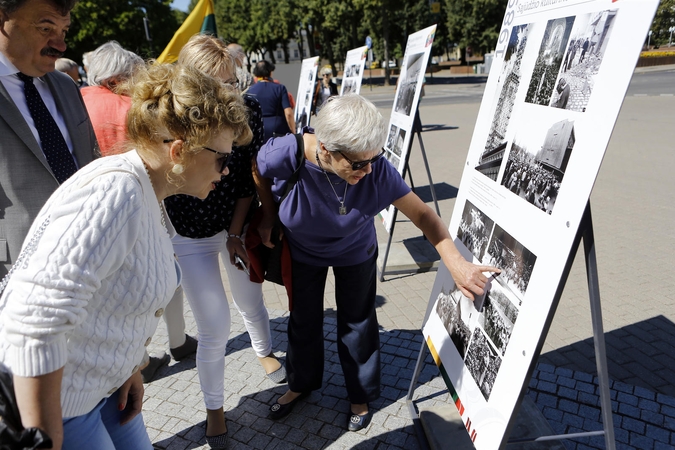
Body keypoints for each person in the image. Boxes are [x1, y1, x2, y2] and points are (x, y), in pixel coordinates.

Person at [0, 62, 252, 450]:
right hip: (62, 403)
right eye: (222, 157)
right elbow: (34, 319)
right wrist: (45, 438)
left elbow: (113, 295)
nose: (227, 169)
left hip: (105, 389)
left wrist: (130, 364)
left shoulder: (147, 192)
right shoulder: (116, 194)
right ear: (179, 150)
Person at [255, 95, 500, 431]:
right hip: (302, 251)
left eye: (374, 158)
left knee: (357, 324)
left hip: (355, 251)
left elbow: (423, 214)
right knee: (303, 319)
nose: (367, 170)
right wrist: (269, 215)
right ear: (325, 149)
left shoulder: (375, 169)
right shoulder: (288, 152)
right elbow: (257, 169)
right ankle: (300, 384)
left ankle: (360, 394)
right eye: (357, 164)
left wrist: (455, 261)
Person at [163, 34, 286, 449]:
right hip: (188, 234)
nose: (232, 91)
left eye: (234, 81)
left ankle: (263, 349)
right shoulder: (170, 117)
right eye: (221, 84)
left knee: (249, 297)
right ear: (193, 84)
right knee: (214, 324)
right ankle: (214, 409)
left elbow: (248, 179)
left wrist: (235, 233)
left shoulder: (246, 109)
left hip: (234, 223)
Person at [0, 0, 98, 281]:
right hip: (16, 273)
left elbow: (90, 163)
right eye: (46, 28)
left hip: (88, 257)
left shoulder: (66, 86)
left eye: (64, 31)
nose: (61, 45)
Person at [80, 41, 143, 155]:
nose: (141, 86)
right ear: (114, 82)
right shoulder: (132, 108)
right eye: (137, 79)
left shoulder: (72, 101)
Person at [247, 60, 295, 142]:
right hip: (278, 131)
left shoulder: (250, 91)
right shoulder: (280, 88)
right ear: (270, 72)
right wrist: (293, 132)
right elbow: (288, 113)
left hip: (258, 132)